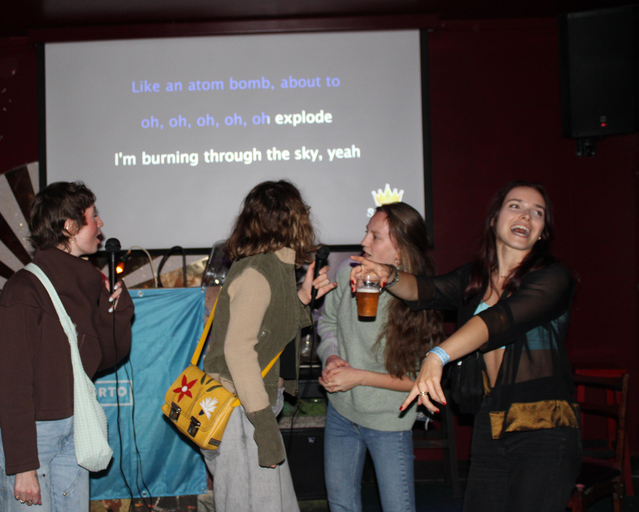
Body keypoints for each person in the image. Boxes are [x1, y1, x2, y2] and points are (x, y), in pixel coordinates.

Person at [351, 180, 581, 512]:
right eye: (515, 206)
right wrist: (386, 273)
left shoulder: (553, 278)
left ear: (543, 231)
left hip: (545, 428)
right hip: (492, 421)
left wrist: (437, 355)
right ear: (494, 219)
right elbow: (426, 290)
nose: (526, 216)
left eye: (537, 212)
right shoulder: (474, 278)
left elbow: (500, 321)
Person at [0, 181, 134, 512]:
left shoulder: (87, 283)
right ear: (69, 227)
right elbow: (12, 381)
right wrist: (22, 465)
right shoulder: (24, 289)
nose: (101, 225)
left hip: (72, 429)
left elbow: (103, 359)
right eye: (94, 217)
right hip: (27, 438)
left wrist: (117, 314)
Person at [201, 180, 336, 512]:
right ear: (293, 221)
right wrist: (264, 426)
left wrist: (304, 297)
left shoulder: (275, 266)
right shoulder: (257, 271)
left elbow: (272, 329)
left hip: (249, 408)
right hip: (241, 412)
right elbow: (239, 351)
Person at [317, 203, 443, 512]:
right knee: (341, 505)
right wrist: (331, 358)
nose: (363, 243)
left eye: (375, 236)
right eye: (366, 232)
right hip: (341, 413)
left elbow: (417, 381)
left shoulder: (420, 297)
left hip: (389, 420)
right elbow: (328, 322)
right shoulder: (348, 270)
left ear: (400, 252)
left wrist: (358, 376)